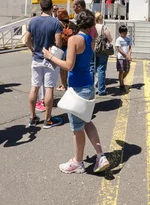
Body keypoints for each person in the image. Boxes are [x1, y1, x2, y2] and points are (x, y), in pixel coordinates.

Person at [42, 9, 110, 174]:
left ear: (77, 22)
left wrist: (50, 56)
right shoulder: (90, 39)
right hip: (88, 86)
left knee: (77, 128)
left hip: (77, 89)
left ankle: (77, 162)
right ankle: (101, 156)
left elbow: (68, 65)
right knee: (87, 121)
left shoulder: (74, 40)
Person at [24, 0, 64, 129]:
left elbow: (26, 40)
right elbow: (58, 43)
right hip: (50, 60)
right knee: (49, 89)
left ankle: (32, 117)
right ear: (52, 7)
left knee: (34, 87)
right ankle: (48, 119)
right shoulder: (56, 23)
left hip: (36, 58)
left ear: (40, 7)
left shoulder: (33, 21)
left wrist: (32, 50)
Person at [56, 8, 77, 91]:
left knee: (62, 67)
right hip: (70, 46)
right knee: (69, 66)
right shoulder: (72, 24)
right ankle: (69, 83)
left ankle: (64, 84)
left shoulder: (58, 24)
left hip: (61, 47)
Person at [93, 12, 113, 96]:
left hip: (93, 49)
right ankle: (101, 90)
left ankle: (91, 88)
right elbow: (110, 38)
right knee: (101, 69)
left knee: (93, 69)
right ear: (101, 18)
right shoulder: (103, 27)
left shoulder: (92, 27)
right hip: (102, 50)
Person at [115, 25, 132, 93]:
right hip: (120, 58)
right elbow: (119, 49)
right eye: (123, 33)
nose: (125, 34)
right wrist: (126, 55)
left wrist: (129, 55)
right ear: (120, 32)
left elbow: (130, 48)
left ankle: (121, 79)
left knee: (127, 70)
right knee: (121, 71)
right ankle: (122, 84)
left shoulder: (128, 39)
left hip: (127, 58)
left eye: (126, 32)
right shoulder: (118, 39)